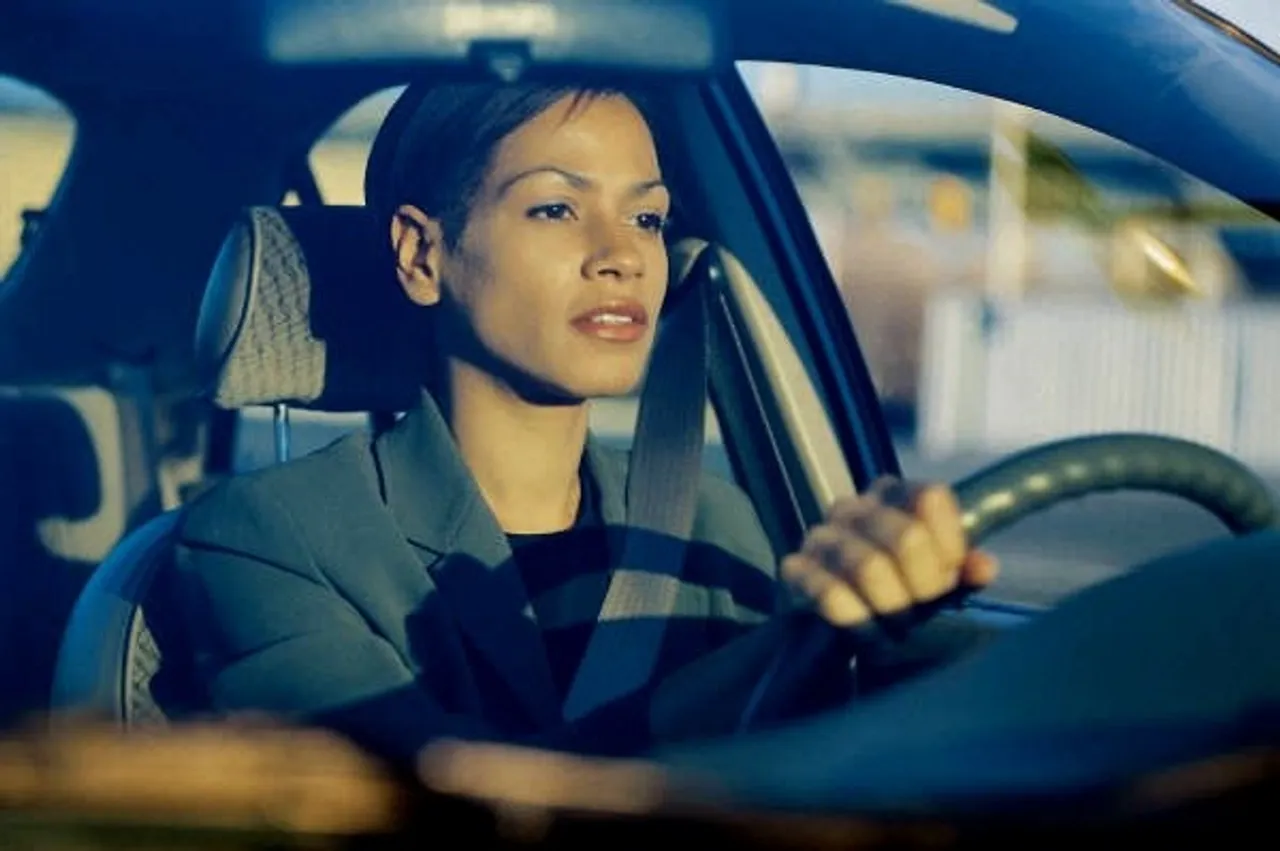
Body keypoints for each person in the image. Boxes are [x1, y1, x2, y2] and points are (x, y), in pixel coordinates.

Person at [171, 79, 1000, 771]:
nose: (624, 255)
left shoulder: (716, 525)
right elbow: (452, 795)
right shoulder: (268, 537)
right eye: (557, 210)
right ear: (423, 256)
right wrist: (787, 647)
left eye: (646, 218)